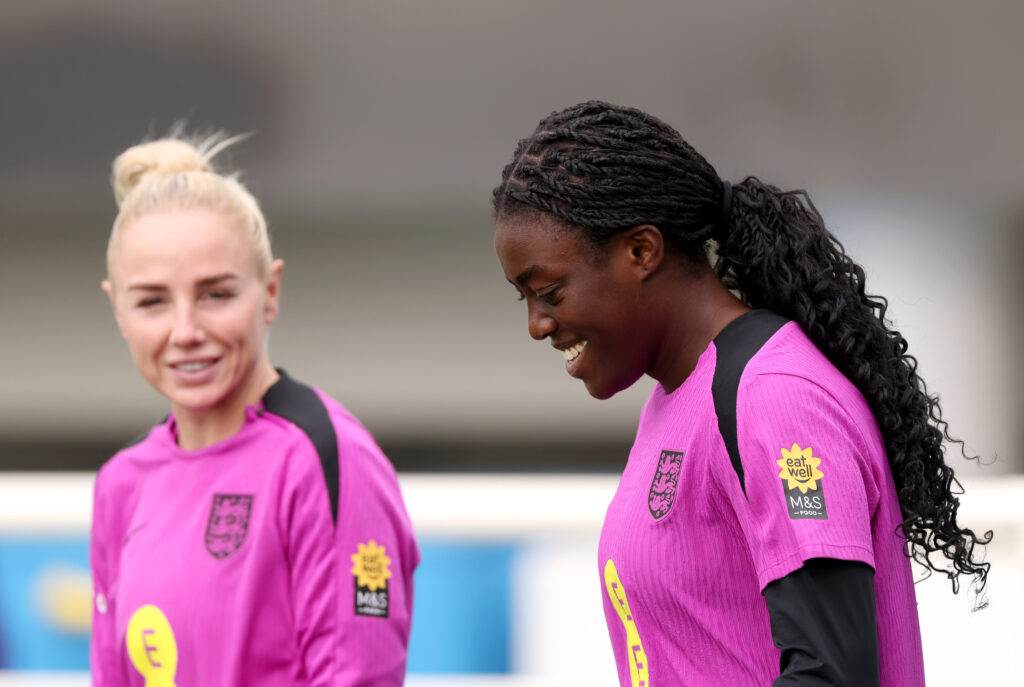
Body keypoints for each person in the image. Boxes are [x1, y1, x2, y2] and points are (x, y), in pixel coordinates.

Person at [492, 101, 991, 686]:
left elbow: (831, 674)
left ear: (641, 251)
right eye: (522, 298)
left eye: (549, 292)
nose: (536, 324)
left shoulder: (773, 398)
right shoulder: (680, 399)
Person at [91, 132, 419, 685]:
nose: (186, 331)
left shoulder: (326, 458)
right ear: (117, 310)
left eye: (217, 294)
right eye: (152, 301)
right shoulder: (122, 482)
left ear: (270, 291)